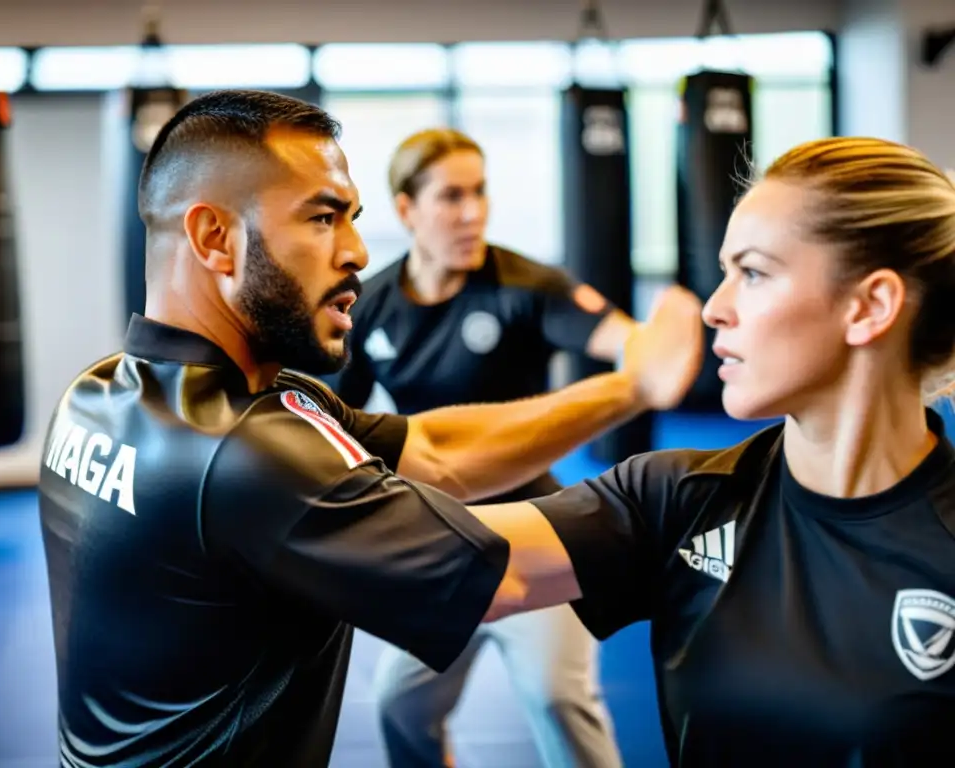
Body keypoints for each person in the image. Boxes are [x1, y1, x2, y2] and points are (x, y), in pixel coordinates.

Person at [36, 89, 704, 767]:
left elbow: (437, 452)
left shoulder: (97, 393)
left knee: (546, 698)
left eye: (352, 218)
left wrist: (626, 389)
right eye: (323, 218)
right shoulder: (250, 451)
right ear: (215, 238)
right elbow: (507, 578)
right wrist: (690, 482)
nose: (356, 249)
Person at [472, 136, 955, 766]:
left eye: (752, 272)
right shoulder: (678, 497)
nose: (715, 308)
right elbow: (439, 561)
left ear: (868, 306)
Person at [323, 127, 629, 768]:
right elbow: (330, 423)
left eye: (481, 193)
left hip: (538, 529)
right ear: (406, 210)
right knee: (399, 706)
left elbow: (619, 339)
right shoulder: (372, 304)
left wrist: (652, 351)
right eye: (452, 197)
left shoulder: (524, 284)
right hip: (438, 534)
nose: (473, 213)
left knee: (557, 699)